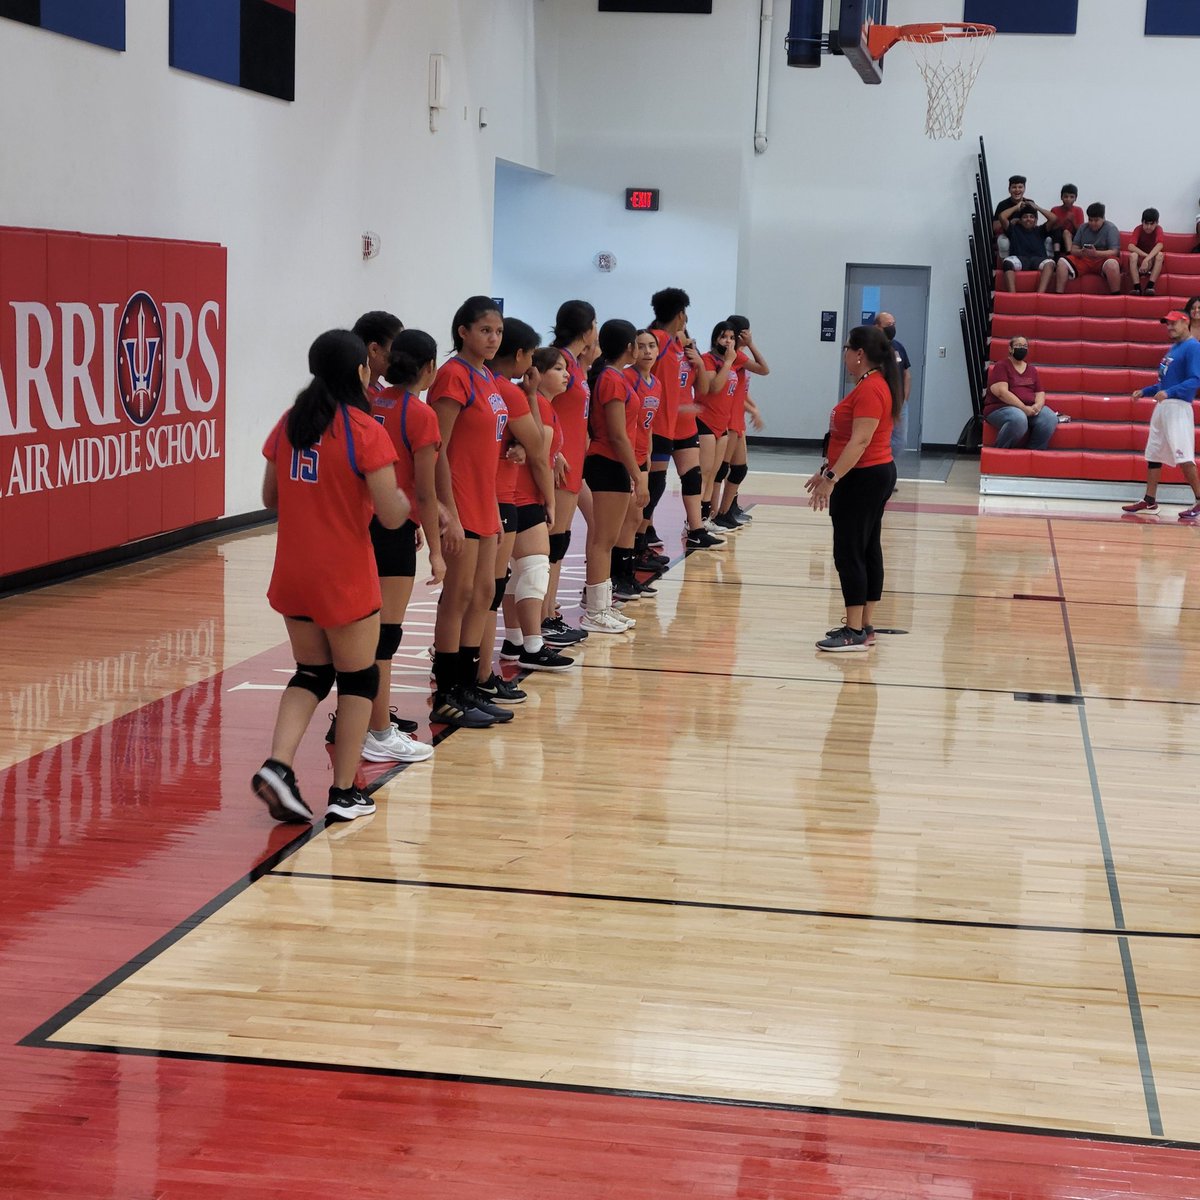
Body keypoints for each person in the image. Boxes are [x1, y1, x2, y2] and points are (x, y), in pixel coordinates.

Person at [252, 329, 410, 824]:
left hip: (294, 572)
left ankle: (279, 765)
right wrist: (407, 503)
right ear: (362, 369)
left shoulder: (291, 423)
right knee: (358, 678)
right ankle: (344, 792)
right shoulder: (364, 429)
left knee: (312, 673)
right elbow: (390, 516)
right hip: (343, 573)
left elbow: (270, 499)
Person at [357, 330, 442, 762]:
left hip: (360, 525)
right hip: (393, 529)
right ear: (428, 368)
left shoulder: (370, 400)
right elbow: (425, 493)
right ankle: (378, 732)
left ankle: (357, 721)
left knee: (364, 631)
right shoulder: (420, 414)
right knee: (385, 635)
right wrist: (439, 553)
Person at [427, 296, 509, 729]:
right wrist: (447, 510)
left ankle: (467, 687)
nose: (493, 338)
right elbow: (435, 447)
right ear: (463, 331)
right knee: (457, 597)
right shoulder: (453, 376)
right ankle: (446, 692)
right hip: (459, 500)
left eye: (497, 332)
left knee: (481, 595)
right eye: (484, 330)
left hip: (485, 500)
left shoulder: (488, 378)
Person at [805, 326, 900, 652]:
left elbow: (860, 441)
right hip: (868, 475)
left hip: (863, 477)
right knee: (866, 547)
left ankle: (854, 630)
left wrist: (831, 480)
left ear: (858, 353)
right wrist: (827, 470)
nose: (844, 353)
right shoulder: (870, 385)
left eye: (846, 348)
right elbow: (848, 439)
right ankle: (863, 625)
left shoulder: (871, 389)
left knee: (850, 552)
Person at [582, 319, 648, 632]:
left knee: (605, 539)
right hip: (608, 463)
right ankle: (595, 611)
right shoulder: (612, 379)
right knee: (602, 541)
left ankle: (603, 605)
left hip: (613, 464)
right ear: (628, 347)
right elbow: (618, 435)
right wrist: (637, 475)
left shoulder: (613, 376)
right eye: (637, 342)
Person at [646, 287, 724, 550]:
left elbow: (702, 389)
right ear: (680, 315)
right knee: (655, 483)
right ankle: (644, 530)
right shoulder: (655, 341)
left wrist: (699, 364)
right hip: (660, 424)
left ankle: (696, 529)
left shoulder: (685, 347)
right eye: (685, 313)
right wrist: (674, 407)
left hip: (684, 426)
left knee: (692, 476)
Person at [543, 301, 596, 647]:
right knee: (555, 540)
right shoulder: (559, 361)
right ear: (588, 327)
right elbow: (540, 403)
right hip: (561, 465)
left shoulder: (576, 365)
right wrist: (556, 451)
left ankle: (550, 609)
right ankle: (545, 616)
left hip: (576, 463)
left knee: (560, 539)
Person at [1120, 311, 1200, 519]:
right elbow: (1164, 384)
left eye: (1174, 323)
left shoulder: (1193, 347)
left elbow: (1195, 380)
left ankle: (1199, 500)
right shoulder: (1173, 349)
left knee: (1184, 456)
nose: (1170, 327)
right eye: (1167, 324)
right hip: (1163, 406)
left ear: (1186, 323)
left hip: (1178, 407)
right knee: (1154, 453)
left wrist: (1170, 392)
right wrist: (1145, 391)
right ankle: (1150, 500)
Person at [712, 314, 768, 532]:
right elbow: (764, 369)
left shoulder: (739, 357)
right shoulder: (734, 358)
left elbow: (742, 391)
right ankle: (715, 513)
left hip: (737, 418)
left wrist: (753, 408)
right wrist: (752, 343)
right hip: (727, 419)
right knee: (722, 470)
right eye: (747, 332)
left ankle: (725, 511)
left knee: (738, 469)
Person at [697, 321, 738, 528]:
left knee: (715, 473)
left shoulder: (729, 361)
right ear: (715, 339)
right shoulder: (707, 359)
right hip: (705, 421)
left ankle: (707, 519)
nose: (728, 341)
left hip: (723, 424)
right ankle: (695, 520)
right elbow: (714, 387)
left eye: (731, 338)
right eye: (724, 337)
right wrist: (729, 363)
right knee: (703, 473)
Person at [983, 336, 1058, 449]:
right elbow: (1001, 392)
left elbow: (1040, 392)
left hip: (1028, 409)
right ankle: (1000, 452)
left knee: (1050, 417)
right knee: (1019, 418)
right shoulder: (1001, 366)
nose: (1022, 348)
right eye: (1018, 345)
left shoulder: (1032, 370)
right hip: (1000, 408)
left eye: (1024, 346)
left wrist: (1037, 406)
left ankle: (1034, 453)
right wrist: (1023, 408)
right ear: (1010, 349)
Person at [1055, 202, 1121, 294]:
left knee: (1112, 264)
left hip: (1102, 259)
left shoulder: (1111, 228)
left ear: (1103, 218)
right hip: (1084, 259)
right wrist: (1081, 252)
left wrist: (1096, 253)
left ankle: (1116, 295)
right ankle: (1058, 294)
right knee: (1061, 262)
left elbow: (1115, 251)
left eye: (1096, 220)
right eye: (1090, 220)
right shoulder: (1083, 227)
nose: (1093, 223)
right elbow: (1073, 249)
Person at [874, 312, 912, 462]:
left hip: (899, 403)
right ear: (877, 327)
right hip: (880, 402)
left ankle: (886, 467)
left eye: (894, 324)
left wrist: (905, 398)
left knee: (900, 441)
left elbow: (906, 374)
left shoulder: (898, 347)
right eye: (888, 325)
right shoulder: (872, 348)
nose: (892, 327)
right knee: (879, 438)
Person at [1000, 205, 1056, 294]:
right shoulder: (1013, 229)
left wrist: (1037, 207)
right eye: (1025, 217)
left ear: (1036, 220)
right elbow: (1002, 217)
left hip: (1038, 259)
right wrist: (1017, 207)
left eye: (1032, 217)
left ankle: (1039, 294)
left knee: (1050, 264)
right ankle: (1012, 295)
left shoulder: (1040, 230)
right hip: (1019, 259)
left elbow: (1053, 219)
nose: (1028, 219)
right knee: (1007, 263)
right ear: (1020, 220)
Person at [352, 310, 403, 398]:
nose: (403, 357)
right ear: (374, 350)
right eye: (398, 349)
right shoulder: (363, 398)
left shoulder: (378, 390)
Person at [1127, 208, 1165, 295]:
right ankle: (1137, 288)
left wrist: (1147, 259)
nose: (1148, 227)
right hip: (1140, 261)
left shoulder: (1158, 229)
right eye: (1146, 223)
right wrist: (1145, 257)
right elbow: (1130, 246)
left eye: (1152, 224)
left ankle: (1150, 286)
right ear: (1142, 222)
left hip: (1152, 261)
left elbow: (1160, 245)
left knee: (1160, 255)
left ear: (1157, 223)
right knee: (1133, 255)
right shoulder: (1138, 229)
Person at [993, 174, 1028, 257]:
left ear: (1024, 189)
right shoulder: (1002, 205)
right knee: (1004, 242)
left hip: (1025, 234)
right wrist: (1009, 223)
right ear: (1009, 189)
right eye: (1014, 187)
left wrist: (1021, 222)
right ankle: (1006, 266)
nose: (1017, 190)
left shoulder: (1029, 203)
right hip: (1007, 234)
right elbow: (995, 227)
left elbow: (1034, 225)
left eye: (1020, 187)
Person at [1047, 185, 1084, 258]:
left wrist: (1073, 221)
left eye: (1071, 197)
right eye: (1066, 196)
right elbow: (1051, 228)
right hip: (1057, 240)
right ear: (1061, 197)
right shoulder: (1055, 210)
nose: (1068, 199)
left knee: (1066, 233)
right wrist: (1064, 221)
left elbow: (1081, 231)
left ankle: (1069, 255)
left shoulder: (1078, 210)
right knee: (1059, 232)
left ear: (1075, 198)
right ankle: (1057, 255)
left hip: (1073, 240)